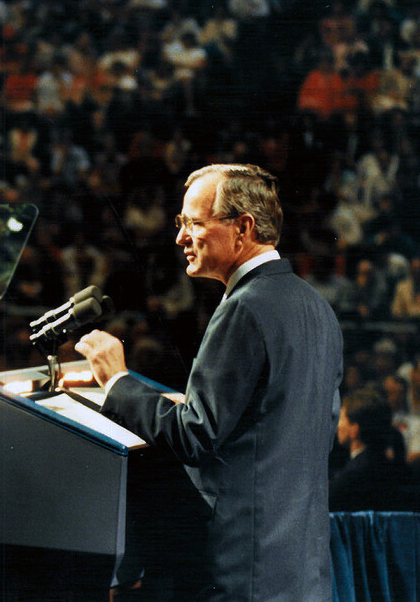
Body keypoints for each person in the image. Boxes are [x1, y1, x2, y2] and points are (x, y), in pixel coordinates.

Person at [75, 163, 343, 600]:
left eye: (193, 223)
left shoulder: (245, 307)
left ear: (243, 228)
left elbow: (195, 436)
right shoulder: (317, 307)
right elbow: (296, 429)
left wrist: (118, 381)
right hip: (299, 568)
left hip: (240, 568)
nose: (180, 237)